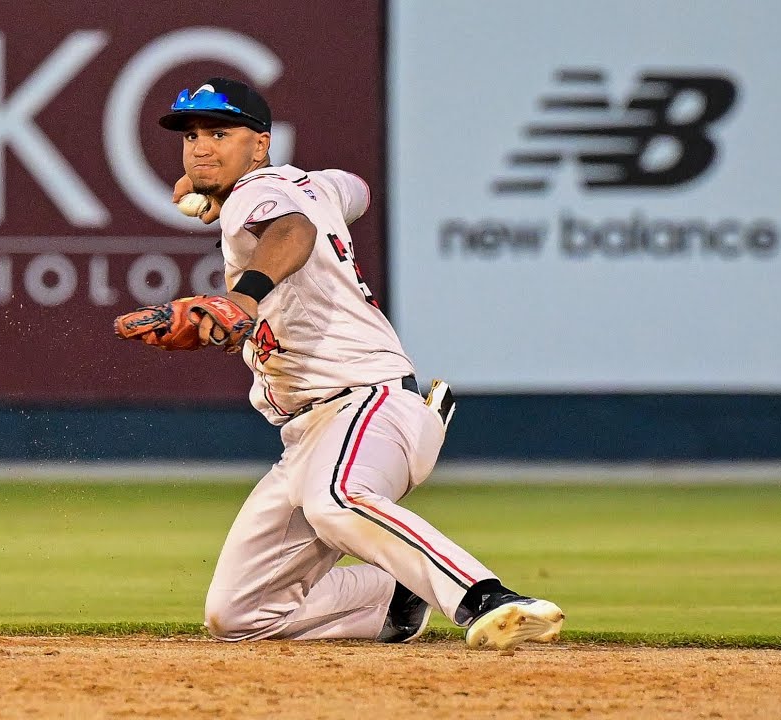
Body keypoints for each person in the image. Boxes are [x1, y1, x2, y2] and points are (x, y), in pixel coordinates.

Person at [114, 77, 563, 650]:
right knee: (239, 615)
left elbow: (291, 230)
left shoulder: (257, 195)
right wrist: (231, 196)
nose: (200, 147)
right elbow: (357, 190)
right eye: (192, 136)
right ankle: (395, 597)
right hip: (314, 432)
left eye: (219, 133)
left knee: (337, 501)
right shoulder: (310, 186)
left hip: (365, 402)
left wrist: (242, 296)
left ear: (261, 144)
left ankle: (488, 598)